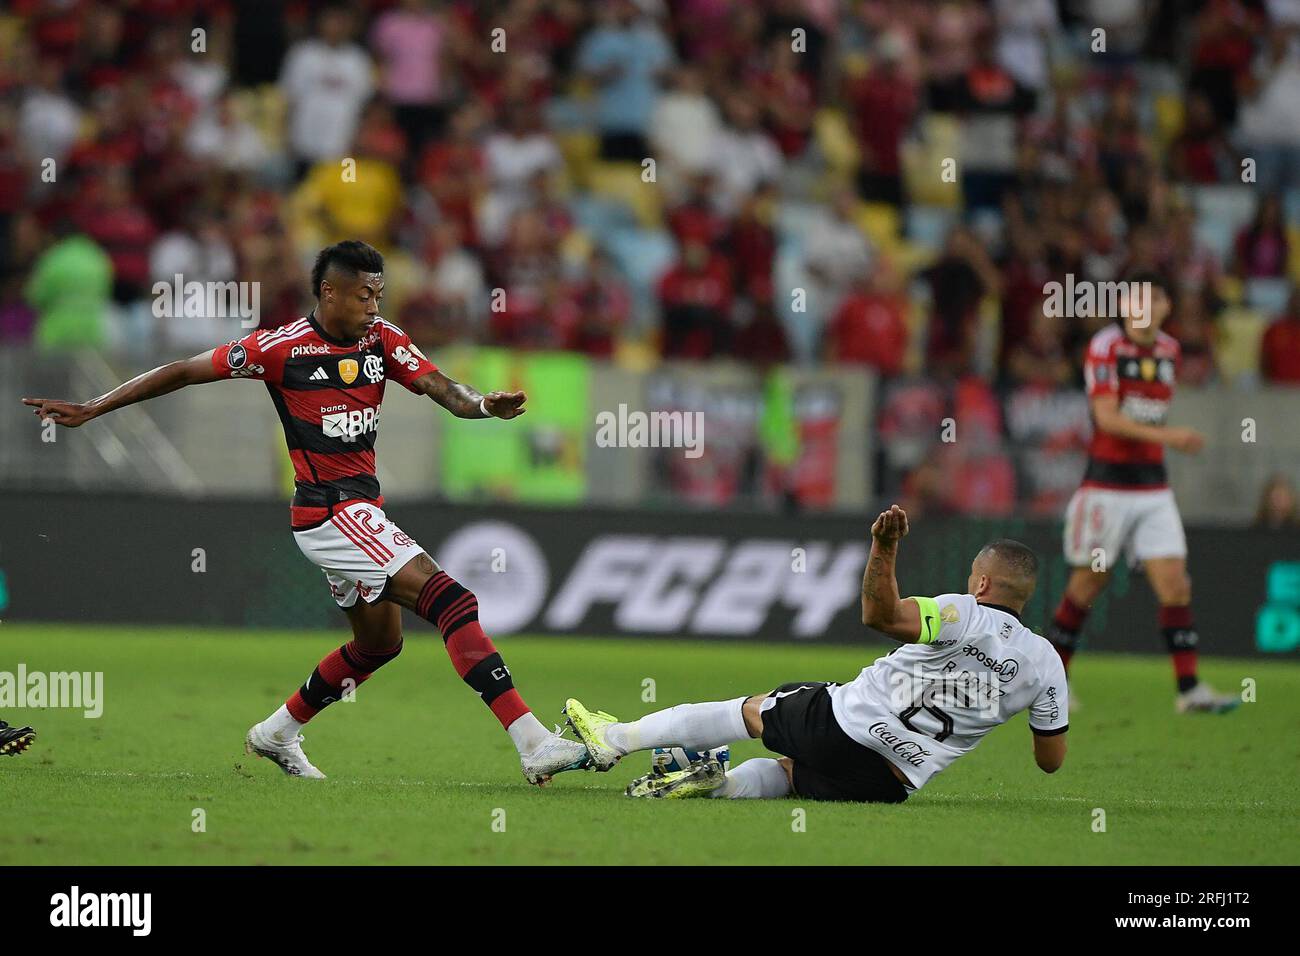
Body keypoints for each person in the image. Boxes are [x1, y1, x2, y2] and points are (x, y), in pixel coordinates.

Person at [21, 240, 589, 784]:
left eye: (379, 294)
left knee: (378, 646)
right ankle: (534, 743)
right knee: (453, 602)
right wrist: (95, 407)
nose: (374, 305)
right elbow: (184, 370)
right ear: (329, 293)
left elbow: (444, 389)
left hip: (358, 510)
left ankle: (277, 732)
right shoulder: (281, 348)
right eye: (364, 295)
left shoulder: (383, 341)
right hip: (330, 513)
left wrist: (486, 405)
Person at [563, 505, 1068, 802]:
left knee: (751, 712)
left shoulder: (963, 611)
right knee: (789, 775)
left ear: (981, 581)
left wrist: (884, 548)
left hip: (846, 724)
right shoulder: (1045, 663)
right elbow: (1050, 760)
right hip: (891, 780)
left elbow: (881, 616)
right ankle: (713, 785)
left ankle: (614, 739)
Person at [1046, 272, 1237, 713]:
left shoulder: (1169, 350)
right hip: (1106, 486)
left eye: (1154, 298)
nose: (1144, 306)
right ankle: (1053, 684)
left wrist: (1162, 439)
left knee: (1175, 584)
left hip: (1153, 487)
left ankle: (1189, 689)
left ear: (1167, 305)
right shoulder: (1105, 347)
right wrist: (1172, 436)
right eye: (1137, 299)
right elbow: (1107, 418)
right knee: (1087, 584)